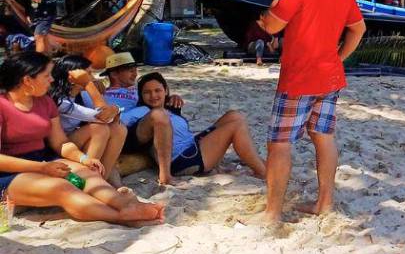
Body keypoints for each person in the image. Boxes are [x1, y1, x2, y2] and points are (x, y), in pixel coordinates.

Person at [256, 0, 365, 223]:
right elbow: (358, 29)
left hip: (299, 77)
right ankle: (324, 203)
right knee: (323, 137)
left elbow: (272, 25)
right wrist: (340, 57)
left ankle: (273, 212)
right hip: (330, 77)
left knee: (279, 142)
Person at [0, 52, 164, 224]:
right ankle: (120, 216)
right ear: (27, 80)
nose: (52, 80)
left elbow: (60, 143)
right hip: (8, 175)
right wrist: (42, 168)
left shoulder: (45, 102)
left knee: (87, 175)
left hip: (41, 162)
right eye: (47, 75)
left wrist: (83, 158)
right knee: (63, 188)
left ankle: (126, 205)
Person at [121, 72, 265, 187]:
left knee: (235, 116)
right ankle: (262, 172)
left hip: (194, 145)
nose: (153, 96)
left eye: (157, 90)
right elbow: (119, 120)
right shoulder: (141, 111)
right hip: (184, 159)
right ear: (141, 96)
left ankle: (257, 161)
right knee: (235, 126)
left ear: (166, 91)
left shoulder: (168, 109)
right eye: (147, 92)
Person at [51, 55, 126, 185]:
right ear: (73, 77)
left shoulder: (80, 94)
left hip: (75, 138)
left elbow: (110, 115)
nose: (92, 78)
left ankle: (101, 181)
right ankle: (90, 181)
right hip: (61, 145)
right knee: (99, 128)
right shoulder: (60, 101)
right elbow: (104, 117)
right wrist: (87, 84)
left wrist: (116, 109)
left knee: (119, 129)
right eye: (89, 74)